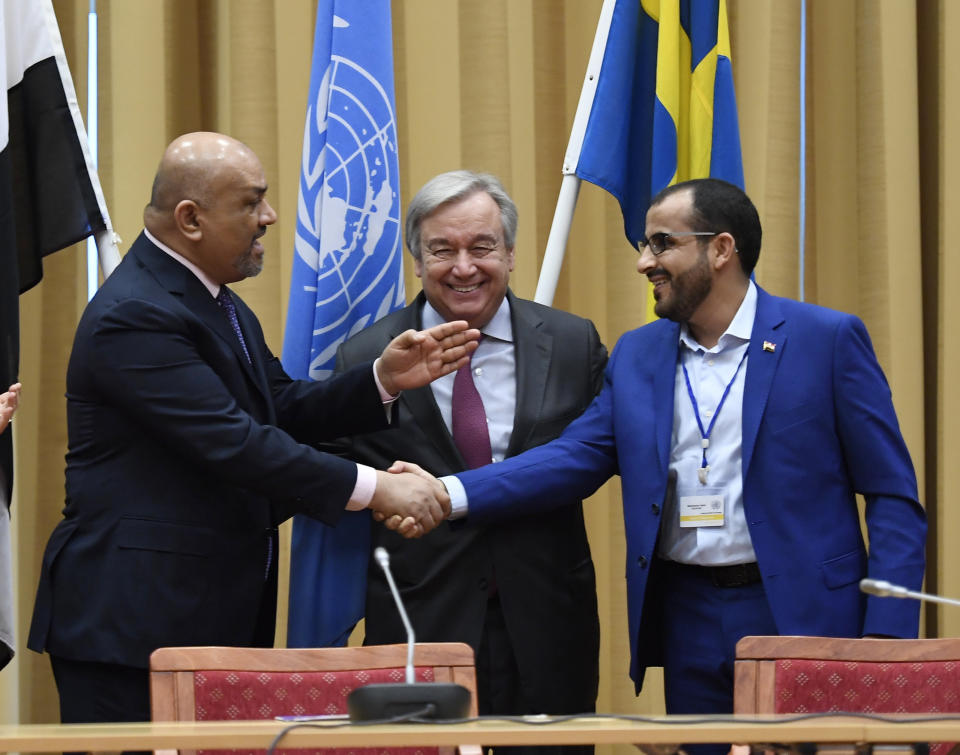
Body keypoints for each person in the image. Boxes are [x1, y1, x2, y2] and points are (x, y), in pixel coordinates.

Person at [395, 178, 926, 754]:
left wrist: (887, 641)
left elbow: (893, 496)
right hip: (687, 616)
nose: (644, 262)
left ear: (720, 249)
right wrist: (449, 493)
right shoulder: (639, 353)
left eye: (661, 243)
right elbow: (576, 456)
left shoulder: (825, 340)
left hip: (800, 614)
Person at [27, 132, 477, 726]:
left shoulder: (217, 303)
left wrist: (382, 380)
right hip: (132, 626)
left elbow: (282, 409)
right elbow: (236, 443)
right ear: (191, 219)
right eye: (251, 202)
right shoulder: (136, 314)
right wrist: (378, 487)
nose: (269, 217)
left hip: (198, 613)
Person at [332, 171, 604, 752]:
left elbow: (595, 457)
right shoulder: (366, 358)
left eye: (481, 247)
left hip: (548, 621)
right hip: (421, 621)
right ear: (416, 260)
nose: (463, 267)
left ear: (509, 252)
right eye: (442, 250)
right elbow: (330, 475)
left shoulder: (574, 344)